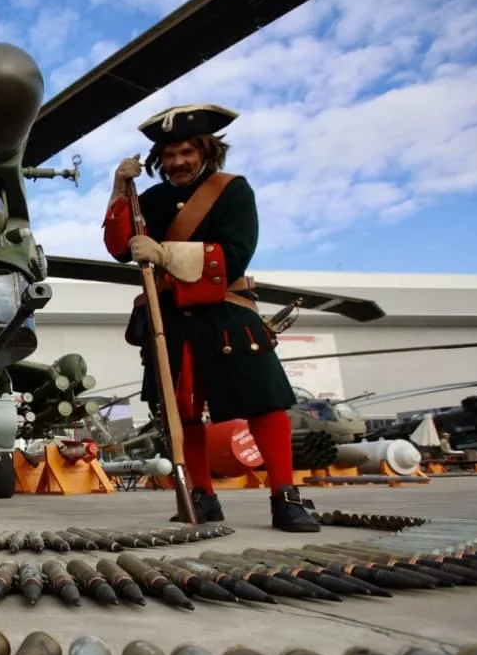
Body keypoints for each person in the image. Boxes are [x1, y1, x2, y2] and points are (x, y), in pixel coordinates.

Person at [102, 103, 320, 533]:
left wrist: (165, 252)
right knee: (180, 413)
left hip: (226, 314)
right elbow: (118, 244)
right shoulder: (152, 199)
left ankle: (285, 498)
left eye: (186, 152)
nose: (177, 162)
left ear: (206, 150)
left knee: (265, 403)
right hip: (172, 321)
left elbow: (234, 256)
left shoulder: (233, 191)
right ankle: (203, 497)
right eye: (169, 155)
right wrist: (118, 186)